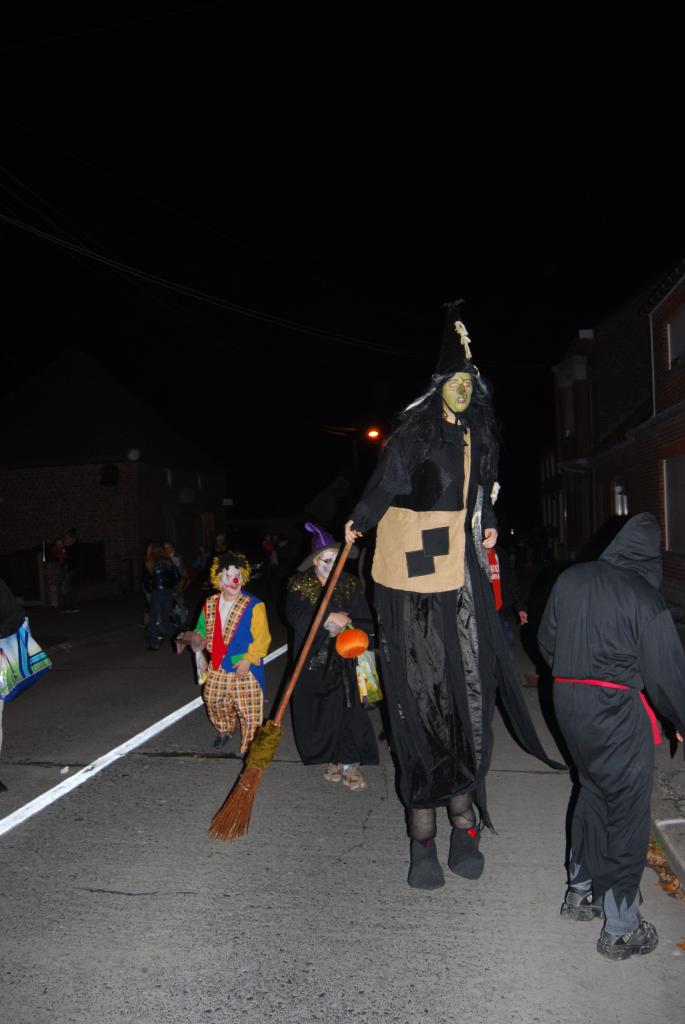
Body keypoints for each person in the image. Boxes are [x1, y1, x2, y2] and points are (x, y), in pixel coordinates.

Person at [344, 303, 560, 888]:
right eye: (456, 381)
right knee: (417, 703)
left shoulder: (480, 435)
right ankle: (422, 838)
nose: (463, 390)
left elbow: (480, 494)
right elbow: (386, 485)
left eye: (471, 383)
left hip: (457, 574)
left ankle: (465, 820)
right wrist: (359, 520)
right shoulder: (415, 434)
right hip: (409, 578)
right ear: (440, 385)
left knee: (465, 694)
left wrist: (488, 518)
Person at [538, 513, 685, 960]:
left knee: (593, 790)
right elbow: (666, 672)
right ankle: (621, 925)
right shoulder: (645, 598)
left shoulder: (572, 579)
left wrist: (572, 676)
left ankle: (580, 891)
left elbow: (547, 640)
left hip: (568, 701)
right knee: (627, 808)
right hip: (616, 709)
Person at [286, 523, 379, 791]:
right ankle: (333, 760)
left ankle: (351, 765)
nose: (333, 565)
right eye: (327, 560)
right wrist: (327, 619)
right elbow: (295, 616)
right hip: (315, 661)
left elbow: (365, 620)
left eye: (337, 559)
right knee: (323, 713)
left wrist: (349, 624)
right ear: (315, 562)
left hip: (347, 661)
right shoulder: (299, 586)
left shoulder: (349, 585)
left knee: (348, 710)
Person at [179, 551, 271, 752]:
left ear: (244, 576)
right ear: (218, 579)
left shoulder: (254, 605)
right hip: (219, 664)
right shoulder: (210, 603)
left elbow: (263, 638)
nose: (234, 579)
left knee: (249, 710)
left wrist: (249, 660)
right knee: (213, 699)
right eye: (228, 575)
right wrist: (195, 639)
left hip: (245, 665)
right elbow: (202, 629)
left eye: (238, 574)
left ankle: (251, 749)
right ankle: (226, 728)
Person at [142, 543, 180, 650]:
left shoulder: (150, 560)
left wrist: (149, 590)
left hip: (158, 591)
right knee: (165, 618)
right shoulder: (168, 560)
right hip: (168, 591)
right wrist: (171, 586)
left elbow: (145, 578)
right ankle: (177, 641)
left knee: (153, 618)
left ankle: (154, 644)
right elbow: (177, 576)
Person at [61, 528, 80, 612]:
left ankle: (68, 606)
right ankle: (71, 606)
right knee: (68, 588)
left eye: (67, 537)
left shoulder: (75, 547)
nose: (66, 539)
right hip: (67, 569)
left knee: (65, 587)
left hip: (72, 569)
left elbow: (73, 559)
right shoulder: (66, 547)